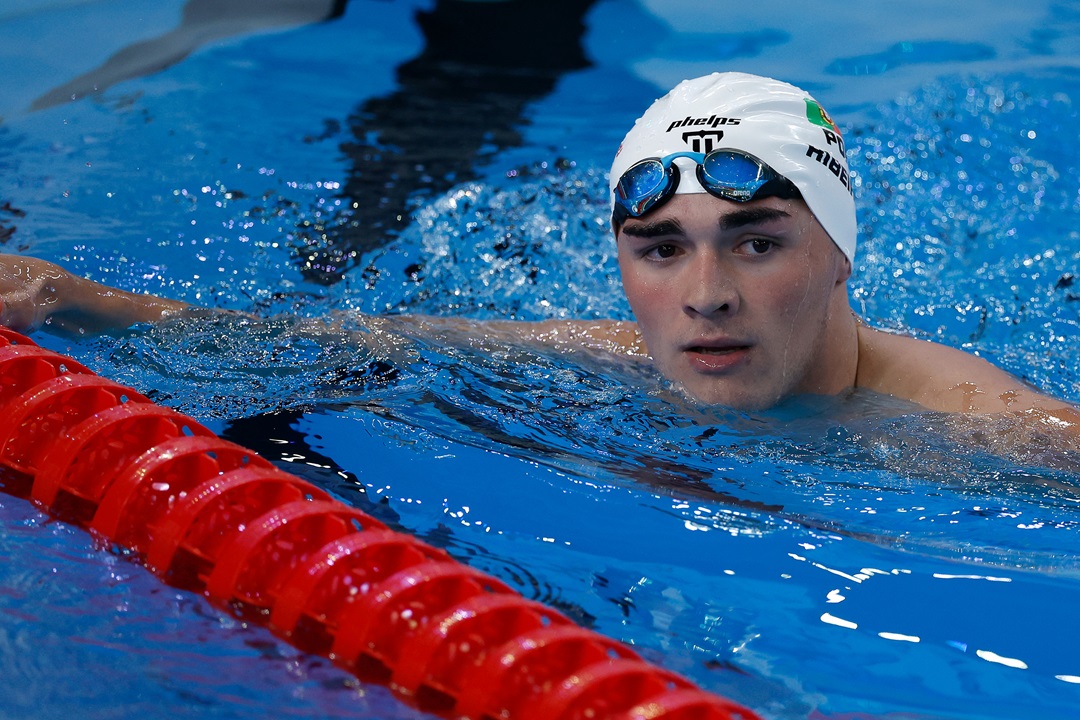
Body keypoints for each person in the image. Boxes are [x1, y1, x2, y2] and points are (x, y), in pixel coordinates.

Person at [0, 72, 1075, 421]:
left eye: (756, 244)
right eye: (659, 249)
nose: (705, 296)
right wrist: (61, 294)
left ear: (843, 256)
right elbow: (318, 338)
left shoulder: (980, 427)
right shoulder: (604, 354)